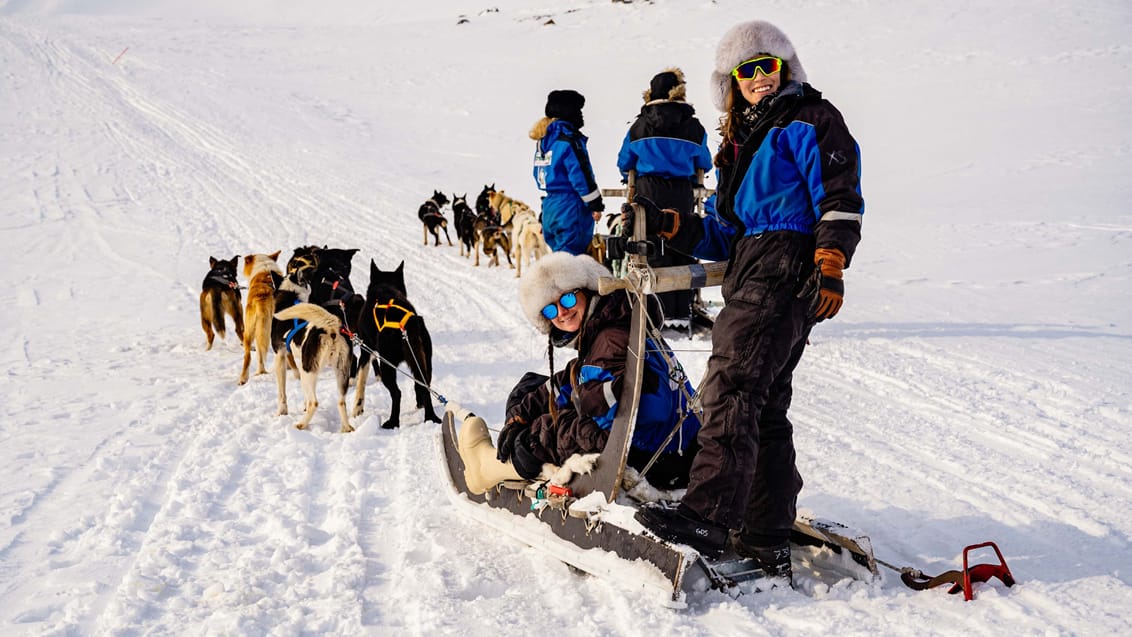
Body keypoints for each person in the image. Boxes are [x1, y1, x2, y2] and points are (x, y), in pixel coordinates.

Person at [632, 20, 864, 585]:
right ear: (731, 82)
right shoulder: (739, 140)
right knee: (762, 401)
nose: (759, 77)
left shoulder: (810, 118)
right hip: (753, 261)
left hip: (788, 260)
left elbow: (840, 195)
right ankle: (765, 533)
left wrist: (830, 261)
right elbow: (726, 232)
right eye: (747, 69)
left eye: (769, 66)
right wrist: (673, 225)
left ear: (785, 69)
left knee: (730, 384)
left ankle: (708, 515)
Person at [457, 252, 701, 495]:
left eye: (568, 299)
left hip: (655, 456)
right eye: (551, 311)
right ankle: (518, 454)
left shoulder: (609, 340)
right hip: (676, 446)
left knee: (544, 431)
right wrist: (521, 414)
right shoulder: (615, 324)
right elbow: (572, 379)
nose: (562, 313)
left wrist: (544, 428)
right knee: (531, 388)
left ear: (588, 291)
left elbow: (626, 416)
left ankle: (489, 467)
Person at [615, 68, 714, 323]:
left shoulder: (640, 125)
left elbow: (625, 161)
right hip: (682, 191)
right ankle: (681, 307)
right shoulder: (693, 126)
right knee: (682, 239)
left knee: (648, 244)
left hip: (648, 189)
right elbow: (705, 161)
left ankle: (652, 307)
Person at [530, 90, 605, 256]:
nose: (581, 115)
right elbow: (581, 175)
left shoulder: (543, 142)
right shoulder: (570, 140)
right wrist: (595, 204)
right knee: (571, 266)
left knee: (559, 263)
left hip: (550, 209)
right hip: (570, 210)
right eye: (578, 111)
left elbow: (539, 175)